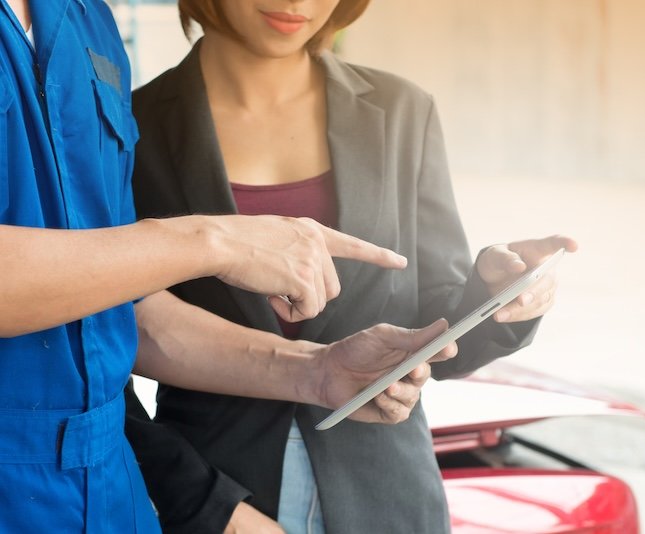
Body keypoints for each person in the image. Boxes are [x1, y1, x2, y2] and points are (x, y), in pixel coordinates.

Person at [123, 1, 579, 533]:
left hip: (387, 498)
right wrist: (204, 505)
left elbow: (439, 340)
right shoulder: (132, 128)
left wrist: (496, 296)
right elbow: (97, 355)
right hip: (217, 493)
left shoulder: (402, 111)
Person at [0, 1, 456, 532]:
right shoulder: (155, 113)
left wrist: (314, 371)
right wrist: (212, 240)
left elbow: (120, 312)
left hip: (105, 497)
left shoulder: (88, 23)